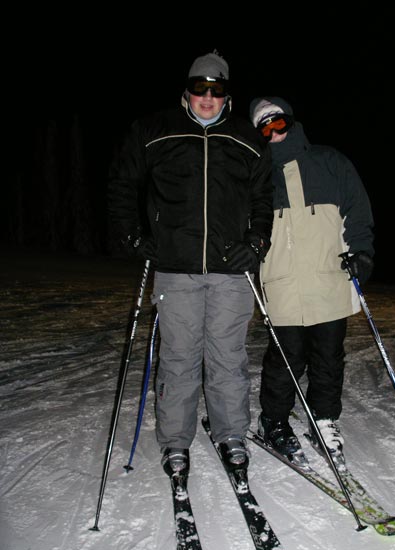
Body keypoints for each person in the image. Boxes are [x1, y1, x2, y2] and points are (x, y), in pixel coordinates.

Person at [107, 51, 273, 476]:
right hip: (175, 266)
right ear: (187, 89)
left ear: (226, 95)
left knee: (227, 357)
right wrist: (133, 236)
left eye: (216, 90)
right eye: (200, 88)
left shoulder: (245, 139)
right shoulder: (154, 130)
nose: (207, 97)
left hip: (230, 271)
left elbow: (263, 200)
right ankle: (175, 441)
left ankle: (231, 433)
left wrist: (256, 243)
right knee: (179, 357)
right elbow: (123, 185)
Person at [249, 97, 374, 469]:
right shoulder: (256, 173)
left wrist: (362, 253)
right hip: (282, 280)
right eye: (264, 128)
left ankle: (324, 420)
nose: (273, 133)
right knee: (285, 358)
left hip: (328, 278)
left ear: (291, 121)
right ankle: (273, 420)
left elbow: (358, 211)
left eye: (278, 123)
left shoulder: (329, 161)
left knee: (328, 357)